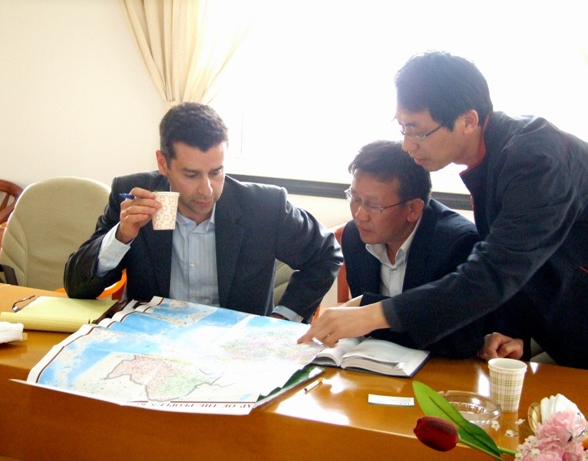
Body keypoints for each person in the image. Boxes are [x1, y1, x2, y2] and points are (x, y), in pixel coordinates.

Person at [300, 51, 588, 369]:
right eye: (403, 128)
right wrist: (512, 331)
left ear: (468, 121)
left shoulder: (535, 162)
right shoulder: (496, 156)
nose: (408, 145)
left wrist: (371, 315)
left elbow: (493, 272)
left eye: (418, 131)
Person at [64, 102, 342, 322]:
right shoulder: (134, 195)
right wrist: (121, 236)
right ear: (163, 163)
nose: (207, 189)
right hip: (152, 343)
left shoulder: (263, 207)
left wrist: (283, 318)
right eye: (191, 174)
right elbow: (77, 287)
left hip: (233, 349)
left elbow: (326, 253)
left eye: (216, 172)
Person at [340, 140, 483, 358]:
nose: (360, 215)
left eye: (373, 205)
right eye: (355, 199)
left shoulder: (457, 243)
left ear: (413, 209)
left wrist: (368, 309)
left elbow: (458, 339)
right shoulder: (354, 236)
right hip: (375, 365)